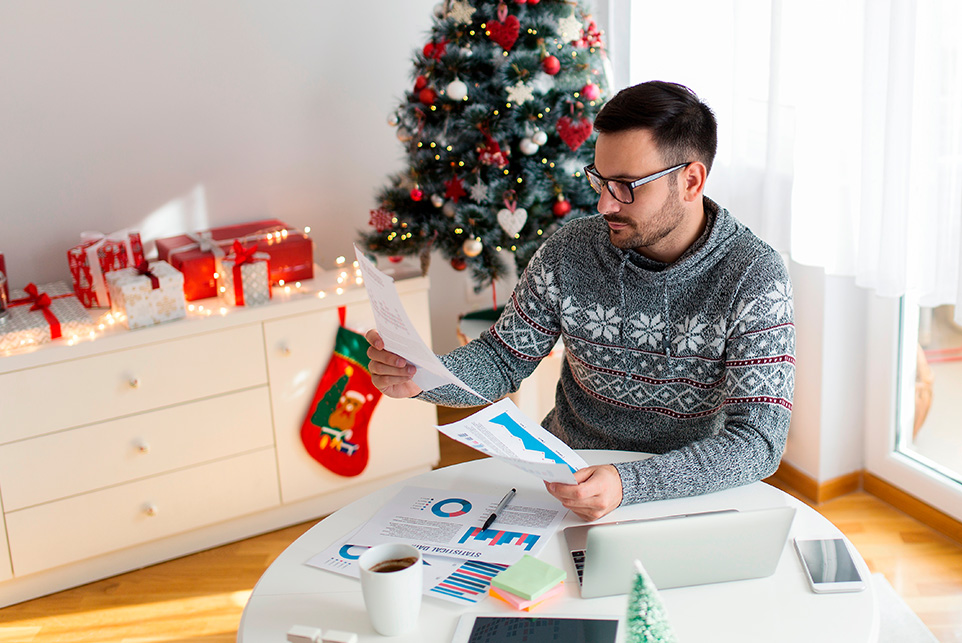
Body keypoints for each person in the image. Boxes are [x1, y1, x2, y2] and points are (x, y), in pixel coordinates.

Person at [366, 81, 795, 521]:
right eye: (600, 180)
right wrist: (424, 376)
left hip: (686, 494)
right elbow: (502, 359)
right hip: (566, 480)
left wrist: (630, 483)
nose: (605, 204)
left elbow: (757, 442)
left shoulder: (753, 275)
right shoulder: (571, 249)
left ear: (690, 181)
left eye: (627, 186)